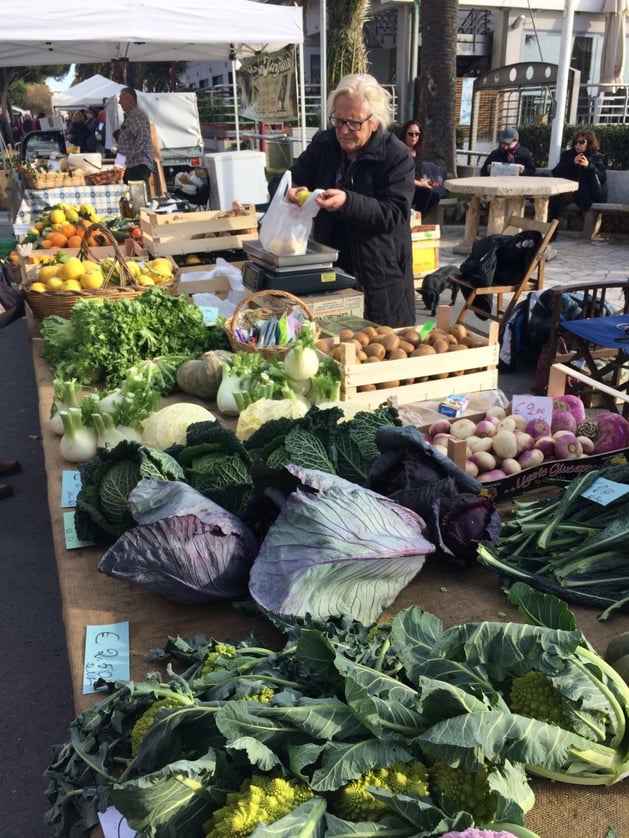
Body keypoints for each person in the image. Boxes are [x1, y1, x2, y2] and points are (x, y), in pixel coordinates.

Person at [285, 73, 416, 328]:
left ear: (375, 122)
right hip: (331, 269)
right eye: (338, 120)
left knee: (380, 342)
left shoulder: (396, 156)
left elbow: (394, 213)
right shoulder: (324, 144)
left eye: (354, 123)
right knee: (332, 339)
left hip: (380, 275)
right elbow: (293, 176)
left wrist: (347, 202)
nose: (344, 130)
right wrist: (290, 190)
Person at [549, 129, 607, 225]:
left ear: (589, 143)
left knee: (561, 196)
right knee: (555, 195)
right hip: (570, 190)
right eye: (576, 142)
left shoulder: (595, 157)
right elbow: (556, 172)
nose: (578, 145)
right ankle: (556, 222)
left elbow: (602, 177)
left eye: (581, 142)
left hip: (588, 193)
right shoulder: (568, 155)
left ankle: (558, 222)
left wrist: (588, 166)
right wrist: (573, 163)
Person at [397, 119, 447, 218]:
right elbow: (401, 176)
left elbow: (417, 172)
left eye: (417, 134)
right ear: (404, 134)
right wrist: (420, 184)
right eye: (410, 134)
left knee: (435, 196)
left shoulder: (417, 152)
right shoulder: (400, 152)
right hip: (403, 187)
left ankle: (418, 220)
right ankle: (413, 221)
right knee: (426, 193)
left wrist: (423, 181)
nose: (414, 137)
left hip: (416, 186)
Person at [116, 87, 154, 193]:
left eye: (121, 99)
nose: (119, 102)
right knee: (133, 196)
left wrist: (133, 154)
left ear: (129, 101)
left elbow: (143, 135)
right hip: (131, 164)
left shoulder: (136, 116)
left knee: (138, 196)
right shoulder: (131, 116)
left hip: (137, 164)